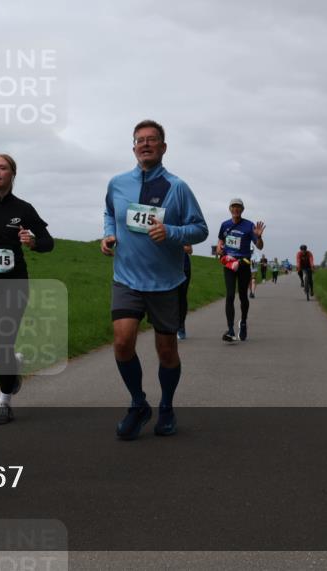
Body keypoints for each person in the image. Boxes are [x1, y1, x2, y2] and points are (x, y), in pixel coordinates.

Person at [102, 120, 208, 439]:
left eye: (152, 140)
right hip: (126, 279)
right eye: (140, 140)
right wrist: (108, 235)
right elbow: (110, 213)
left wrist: (172, 232)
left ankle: (167, 406)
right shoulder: (117, 183)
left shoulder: (178, 187)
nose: (145, 144)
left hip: (165, 283)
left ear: (163, 147)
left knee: (166, 352)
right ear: (133, 147)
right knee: (122, 341)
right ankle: (138, 403)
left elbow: (200, 229)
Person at [0, 153, 54, 425]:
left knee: (3, 339)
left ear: (12, 174)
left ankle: (4, 402)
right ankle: (13, 363)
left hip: (15, 283)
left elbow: (49, 242)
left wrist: (33, 240)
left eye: (2, 168)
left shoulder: (23, 209)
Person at [216, 199, 265, 342]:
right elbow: (220, 242)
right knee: (230, 295)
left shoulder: (249, 226)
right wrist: (219, 248)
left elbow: (260, 246)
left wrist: (259, 236)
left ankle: (243, 322)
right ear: (230, 209)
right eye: (234, 207)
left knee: (243, 296)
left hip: (243, 264)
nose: (236, 209)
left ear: (242, 210)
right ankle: (230, 330)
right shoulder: (225, 225)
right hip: (229, 264)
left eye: (239, 207)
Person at [177, 245, 193, 340]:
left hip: (184, 268)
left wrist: (174, 244)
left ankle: (181, 327)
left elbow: (190, 250)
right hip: (168, 268)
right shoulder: (163, 230)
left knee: (182, 297)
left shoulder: (183, 230)